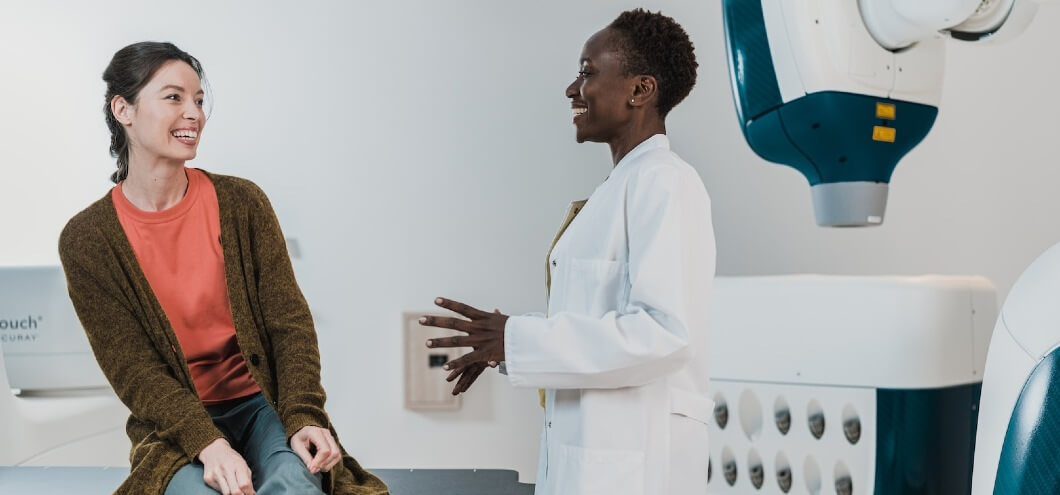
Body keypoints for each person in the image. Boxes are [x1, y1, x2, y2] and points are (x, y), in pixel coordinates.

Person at [58, 41, 387, 495]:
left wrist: (304, 416)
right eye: (174, 97)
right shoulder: (87, 240)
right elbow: (136, 372)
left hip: (261, 405)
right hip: (173, 426)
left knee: (295, 483)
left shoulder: (242, 202)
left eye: (198, 100)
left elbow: (288, 324)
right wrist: (208, 443)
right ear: (124, 109)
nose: (193, 113)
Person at [419, 9, 715, 495]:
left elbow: (664, 334)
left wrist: (516, 339)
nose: (572, 90)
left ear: (640, 90)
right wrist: (506, 346)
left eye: (587, 72)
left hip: (636, 470)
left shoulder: (666, 182)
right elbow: (596, 322)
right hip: (592, 462)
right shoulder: (620, 187)